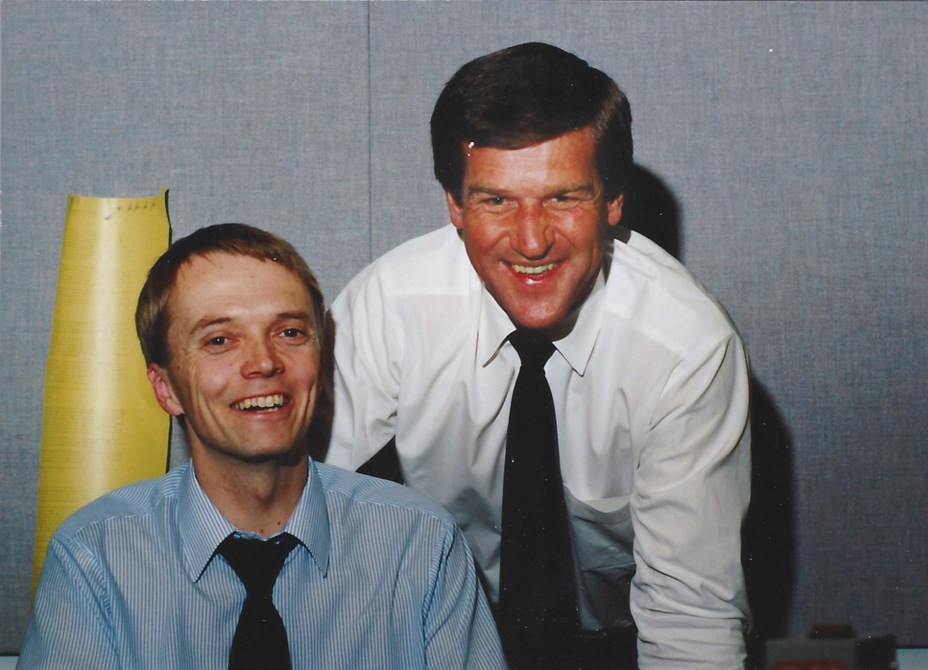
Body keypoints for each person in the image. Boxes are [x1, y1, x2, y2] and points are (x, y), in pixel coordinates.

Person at [325, 42, 751, 669]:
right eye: (496, 200)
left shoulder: (685, 348)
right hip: (438, 636)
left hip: (614, 645)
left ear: (612, 201)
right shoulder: (389, 308)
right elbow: (293, 519)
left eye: (563, 198)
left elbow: (690, 620)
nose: (531, 241)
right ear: (453, 206)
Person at [19, 223, 506, 669]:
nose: (264, 363)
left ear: (322, 359)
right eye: (219, 340)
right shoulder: (94, 560)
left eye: (289, 332)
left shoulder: (420, 546)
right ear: (165, 387)